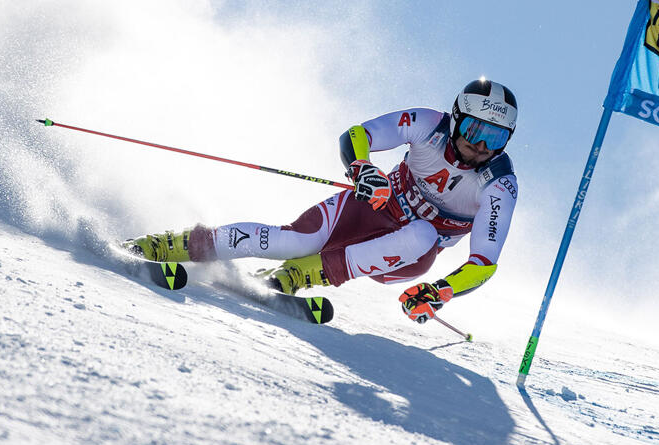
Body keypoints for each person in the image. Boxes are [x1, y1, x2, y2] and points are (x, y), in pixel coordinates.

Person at [125, 78, 519, 324]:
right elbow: (358, 134)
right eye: (475, 130)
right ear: (457, 118)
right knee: (295, 240)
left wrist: (440, 291)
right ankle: (170, 245)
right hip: (372, 207)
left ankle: (299, 275)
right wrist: (362, 168)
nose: (481, 146)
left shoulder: (498, 184)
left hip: (406, 256)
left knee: (423, 234)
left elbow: (483, 263)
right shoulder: (428, 124)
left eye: (496, 137)